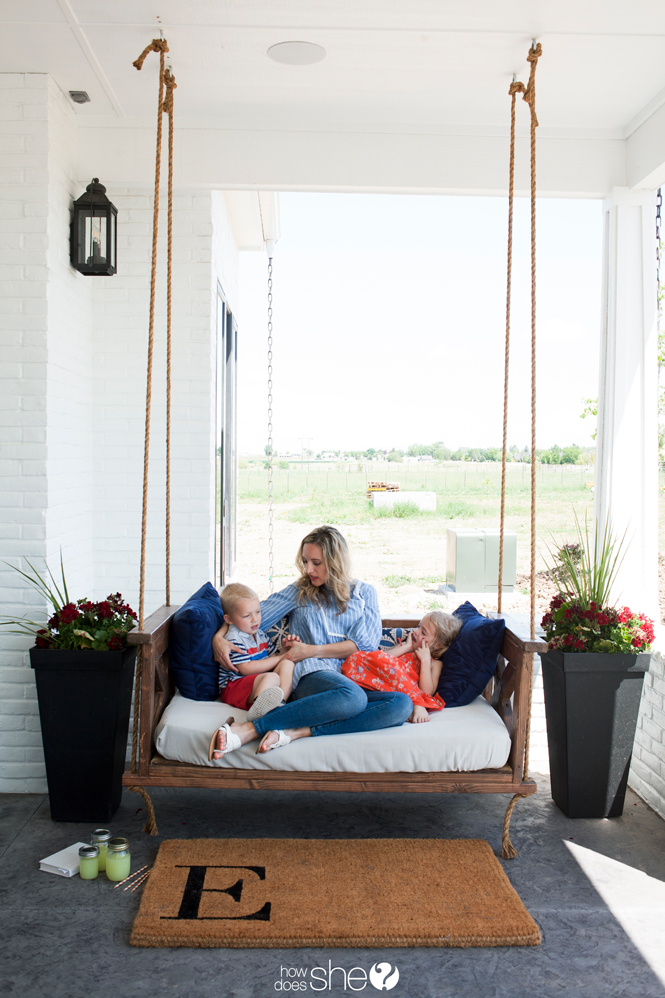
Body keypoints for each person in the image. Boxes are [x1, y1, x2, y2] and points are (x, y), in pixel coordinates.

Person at [209, 525, 412, 758]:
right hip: (310, 675)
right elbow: (252, 616)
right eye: (305, 561)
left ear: (335, 561)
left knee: (401, 704)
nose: (308, 569)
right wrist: (219, 635)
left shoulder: (364, 593)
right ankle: (249, 729)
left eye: (316, 562)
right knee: (353, 697)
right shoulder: (300, 591)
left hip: (353, 677)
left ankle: (297, 731)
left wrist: (309, 650)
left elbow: (362, 645)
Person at [341, 611, 462, 723]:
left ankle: (417, 704)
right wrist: (406, 647)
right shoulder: (407, 650)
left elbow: (427, 692)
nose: (416, 632)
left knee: (395, 671)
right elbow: (380, 659)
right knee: (359, 657)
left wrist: (425, 661)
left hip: (404, 692)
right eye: (419, 626)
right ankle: (414, 703)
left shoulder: (434, 663)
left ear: (438, 645)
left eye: (423, 632)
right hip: (382, 683)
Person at [216, 582, 296, 724]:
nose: (255, 619)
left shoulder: (260, 635)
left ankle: (280, 704)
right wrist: (280, 658)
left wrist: (286, 649)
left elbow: (273, 659)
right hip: (234, 686)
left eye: (258, 612)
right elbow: (246, 669)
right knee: (272, 677)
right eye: (247, 616)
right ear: (229, 619)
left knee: (288, 664)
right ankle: (259, 710)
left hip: (256, 682)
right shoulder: (233, 638)